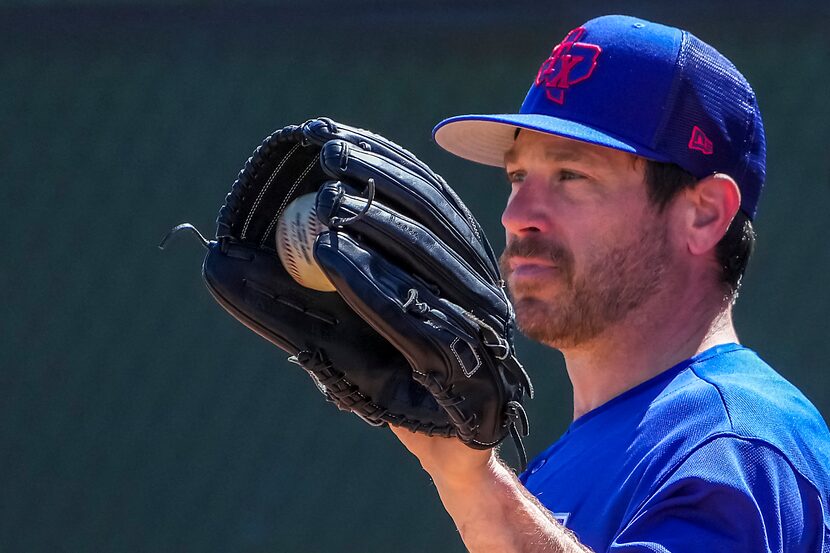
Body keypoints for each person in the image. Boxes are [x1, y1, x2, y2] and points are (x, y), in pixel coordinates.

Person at [390, 15, 830, 553]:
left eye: (571, 175)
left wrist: (475, 487)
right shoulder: (583, 453)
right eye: (517, 176)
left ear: (704, 215)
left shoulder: (734, 448)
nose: (517, 215)